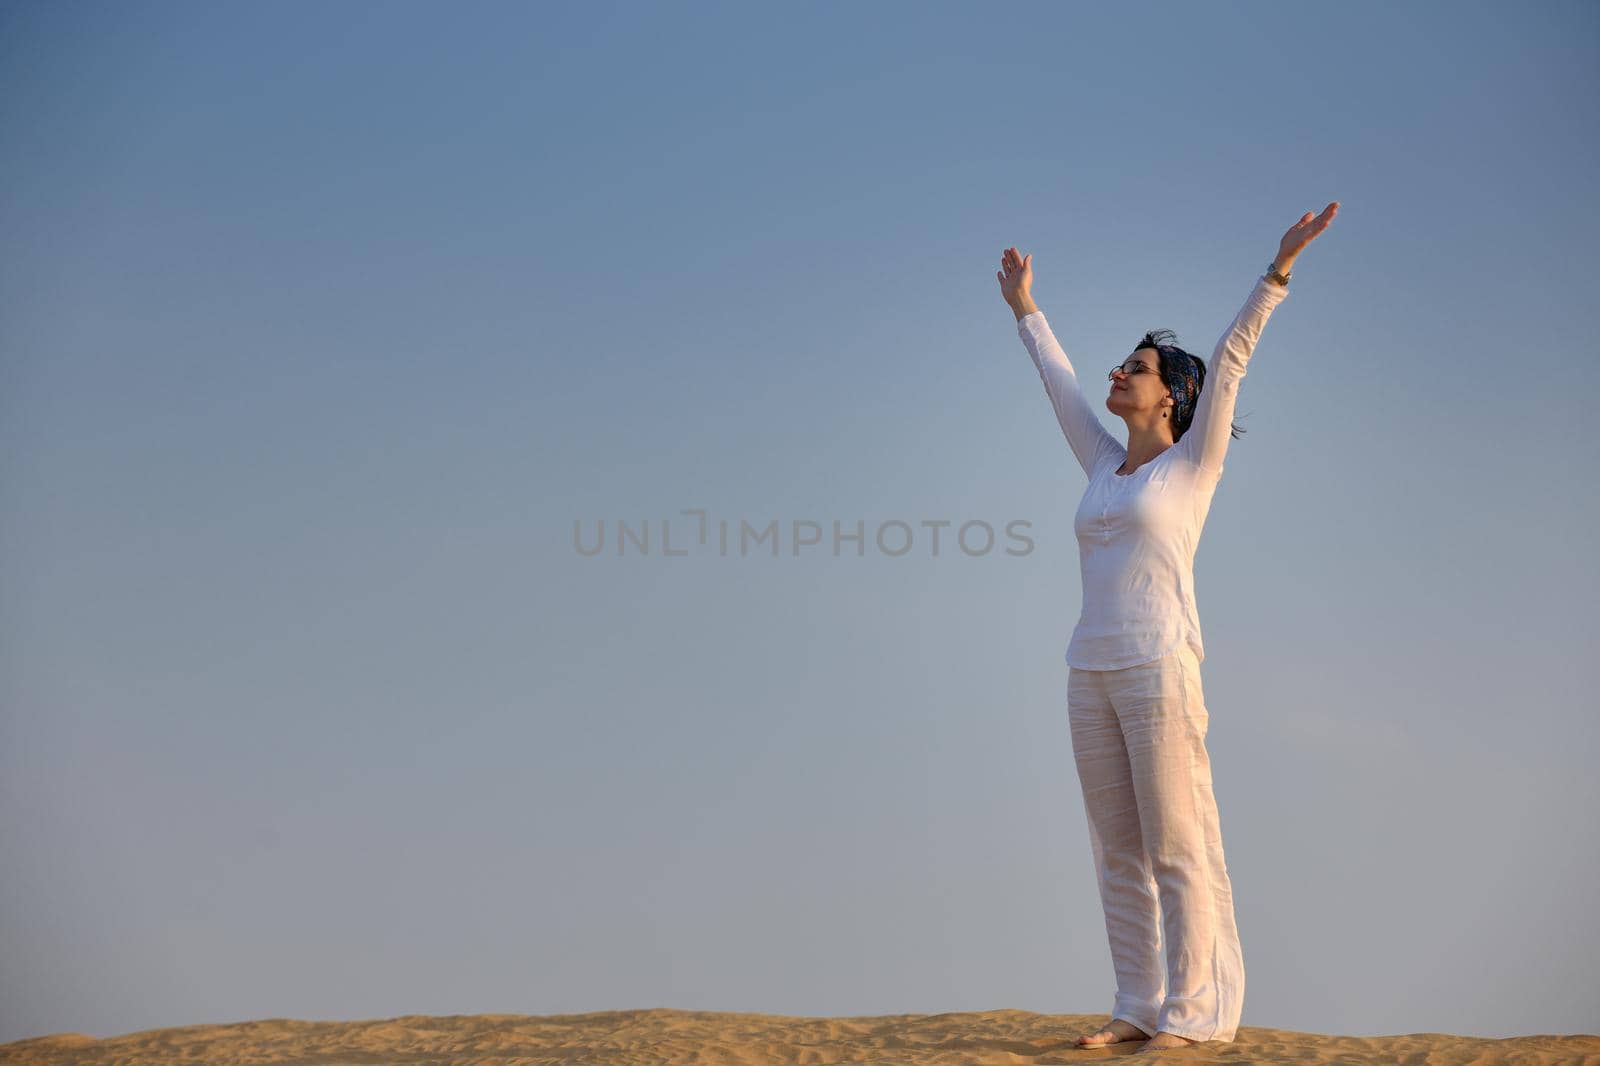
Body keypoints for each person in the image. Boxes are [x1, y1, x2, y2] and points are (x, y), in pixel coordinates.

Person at [995, 203, 1339, 1054]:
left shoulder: (1193, 464)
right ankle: (1135, 1007)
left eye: (1137, 368)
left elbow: (1232, 360)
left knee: (1177, 847)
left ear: (1171, 397)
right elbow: (1060, 385)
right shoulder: (1102, 463)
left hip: (1159, 666)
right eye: (1122, 364)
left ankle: (1194, 1016)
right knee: (1116, 850)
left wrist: (1278, 270)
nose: (1120, 374)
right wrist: (1025, 310)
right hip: (1090, 669)